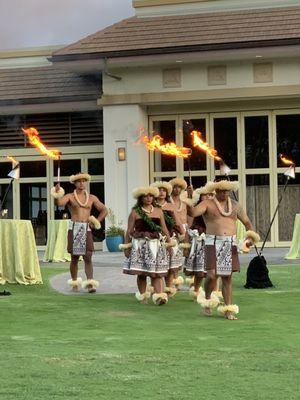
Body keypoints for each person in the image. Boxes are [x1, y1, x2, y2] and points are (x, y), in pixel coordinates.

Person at [187, 179, 260, 320]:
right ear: (216, 191)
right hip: (212, 243)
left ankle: (228, 309)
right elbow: (192, 212)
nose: (224, 194)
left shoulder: (236, 206)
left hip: (229, 244)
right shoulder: (207, 203)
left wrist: (250, 238)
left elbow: (247, 223)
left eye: (227, 191)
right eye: (221, 191)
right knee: (212, 275)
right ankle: (207, 300)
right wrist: (190, 197)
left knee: (227, 277)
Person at [51, 173, 108, 293]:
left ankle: (90, 283)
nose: (82, 183)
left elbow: (104, 210)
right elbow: (59, 203)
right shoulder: (70, 196)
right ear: (75, 183)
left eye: (84, 181)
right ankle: (74, 281)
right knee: (75, 258)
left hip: (86, 228)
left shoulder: (92, 198)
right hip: (75, 228)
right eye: (79, 181)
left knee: (88, 256)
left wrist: (97, 221)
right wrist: (56, 194)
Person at [121, 186, 173, 306]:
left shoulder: (159, 211)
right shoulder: (135, 212)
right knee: (142, 273)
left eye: (151, 196)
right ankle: (143, 296)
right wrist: (126, 247)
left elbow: (164, 229)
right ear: (141, 198)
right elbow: (129, 230)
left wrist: (169, 244)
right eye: (145, 196)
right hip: (140, 246)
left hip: (156, 245)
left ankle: (159, 296)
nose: (149, 198)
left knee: (157, 272)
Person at [150, 181, 185, 298]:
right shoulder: (151, 206)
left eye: (164, 190)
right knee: (156, 264)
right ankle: (157, 289)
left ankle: (169, 288)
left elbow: (178, 221)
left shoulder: (171, 206)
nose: (161, 192)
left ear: (167, 192)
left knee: (170, 264)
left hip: (170, 237)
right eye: (159, 190)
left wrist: (183, 234)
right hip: (154, 237)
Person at [181, 183, 215, 300]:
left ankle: (214, 293)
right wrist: (186, 245)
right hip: (199, 239)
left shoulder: (217, 207)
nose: (208, 197)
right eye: (205, 195)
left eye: (210, 195)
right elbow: (188, 226)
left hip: (213, 238)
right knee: (199, 271)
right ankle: (196, 291)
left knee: (215, 270)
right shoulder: (195, 208)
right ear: (200, 197)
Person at [168, 178, 189, 289]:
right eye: (175, 187)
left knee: (180, 256)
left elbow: (189, 216)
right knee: (172, 256)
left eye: (179, 187)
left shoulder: (185, 202)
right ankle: (170, 283)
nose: (177, 189)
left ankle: (176, 282)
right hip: (173, 230)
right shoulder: (167, 201)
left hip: (184, 229)